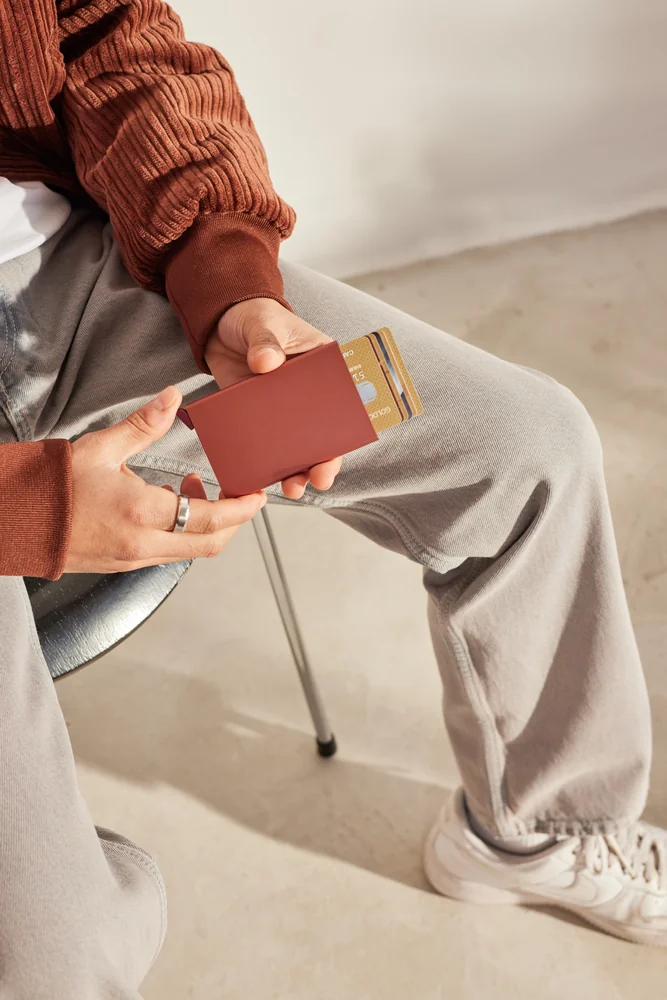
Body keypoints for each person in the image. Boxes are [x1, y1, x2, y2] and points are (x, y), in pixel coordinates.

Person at [0, 1, 663, 995]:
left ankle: (534, 832)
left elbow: (110, 34)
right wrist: (26, 509)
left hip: (56, 286)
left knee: (529, 444)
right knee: (59, 963)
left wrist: (227, 279)